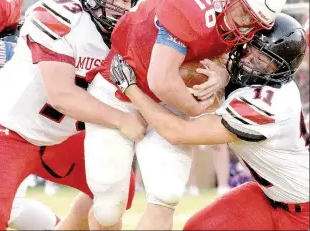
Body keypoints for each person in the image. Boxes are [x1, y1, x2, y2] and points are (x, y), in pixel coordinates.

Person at [83, 0, 289, 230]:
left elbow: (215, 58)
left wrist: (223, 73)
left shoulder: (238, 20)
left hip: (168, 102)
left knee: (166, 195)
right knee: (108, 210)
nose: (245, 27)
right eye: (243, 13)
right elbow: (162, 80)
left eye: (255, 22)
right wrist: (197, 107)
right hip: (119, 89)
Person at [0, 0, 149, 231]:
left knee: (116, 190)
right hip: (4, 130)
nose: (121, 5)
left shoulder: (129, 35)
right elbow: (61, 95)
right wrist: (123, 120)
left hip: (60, 137)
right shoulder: (61, 16)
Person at [110, 13, 309, 231]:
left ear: (280, 71)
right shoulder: (259, 87)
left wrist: (131, 89)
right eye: (250, 48)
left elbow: (178, 133)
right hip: (269, 197)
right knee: (198, 227)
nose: (247, 59)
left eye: (260, 60)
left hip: (303, 213)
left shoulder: (266, 106)